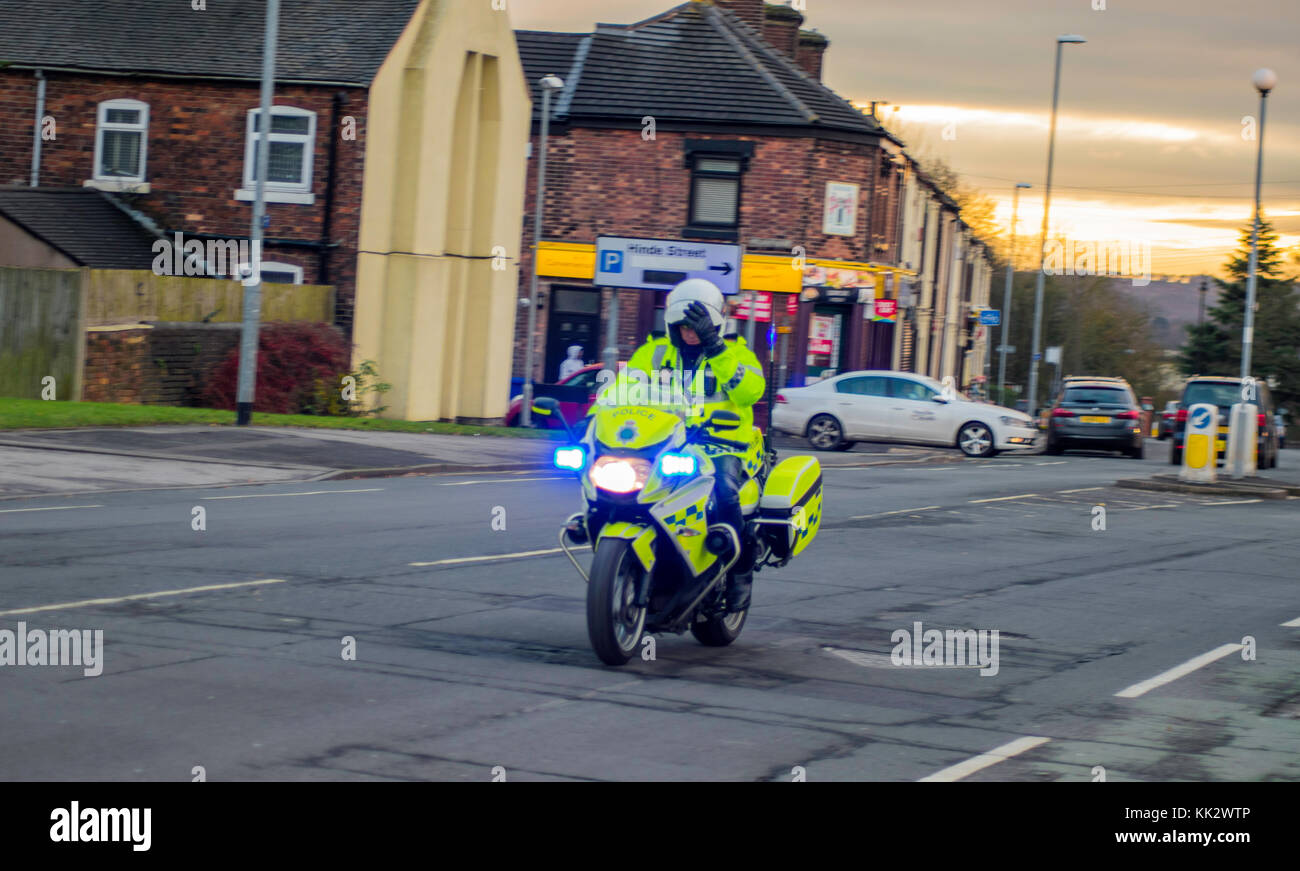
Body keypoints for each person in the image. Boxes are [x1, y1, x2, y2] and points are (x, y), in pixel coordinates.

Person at [595, 278, 765, 611]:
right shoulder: (655, 352)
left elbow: (750, 393)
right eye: (683, 325)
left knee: (725, 494)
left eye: (698, 326)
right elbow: (620, 392)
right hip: (662, 442)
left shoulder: (736, 353)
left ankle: (739, 573)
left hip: (721, 445)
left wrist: (715, 347)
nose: (690, 332)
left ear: (715, 325)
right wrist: (593, 420)